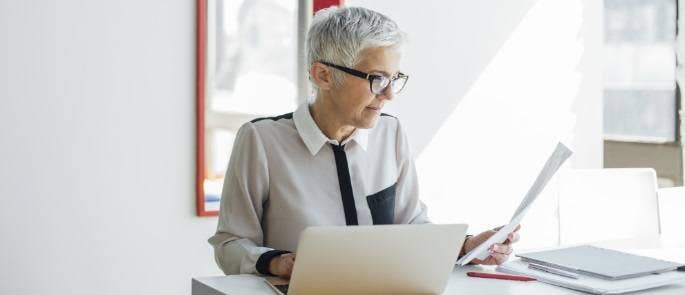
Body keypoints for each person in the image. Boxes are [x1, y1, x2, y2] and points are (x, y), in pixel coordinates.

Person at [208, 6, 520, 278]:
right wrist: (277, 262)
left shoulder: (391, 133)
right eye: (377, 79)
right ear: (324, 75)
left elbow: (410, 225)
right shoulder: (261, 141)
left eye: (394, 78)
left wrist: (466, 246)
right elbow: (230, 244)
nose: (389, 94)